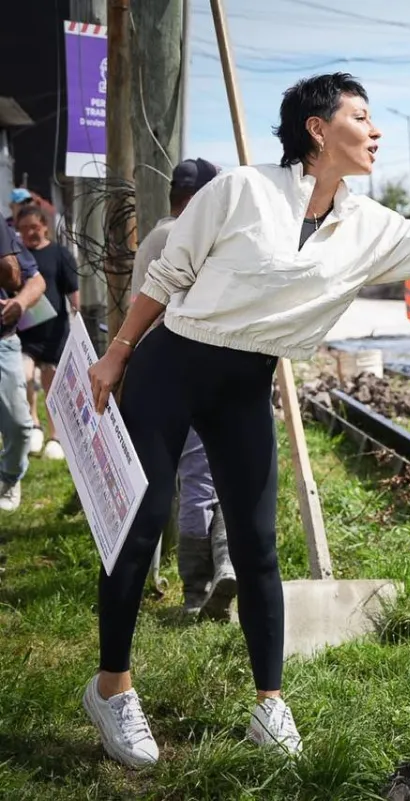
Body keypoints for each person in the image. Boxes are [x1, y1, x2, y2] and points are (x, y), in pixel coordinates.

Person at [81, 72, 410, 769]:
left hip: (246, 381)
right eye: (361, 116)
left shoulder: (370, 225)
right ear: (318, 129)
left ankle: (269, 701)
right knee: (140, 531)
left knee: (259, 546)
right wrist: (117, 352)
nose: (375, 131)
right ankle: (112, 687)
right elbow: (166, 278)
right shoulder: (241, 190)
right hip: (172, 364)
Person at [130, 157, 235, 619]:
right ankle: (206, 583)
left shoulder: (151, 238)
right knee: (205, 479)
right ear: (198, 199)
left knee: (165, 481)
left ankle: (196, 585)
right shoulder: (189, 238)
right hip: (193, 366)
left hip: (150, 373)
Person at [14, 205, 79, 461]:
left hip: (55, 331)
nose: (30, 232)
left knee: (52, 386)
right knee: (24, 376)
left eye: (34, 226)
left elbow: (72, 290)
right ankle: (33, 423)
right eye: (24, 228)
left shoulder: (59, 254)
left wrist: (78, 313)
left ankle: (55, 436)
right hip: (25, 330)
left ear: (44, 226)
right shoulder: (17, 257)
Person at [0, 219, 46, 512]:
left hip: (2, 342)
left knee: (19, 424)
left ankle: (9, 477)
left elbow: (36, 280)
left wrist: (20, 302)